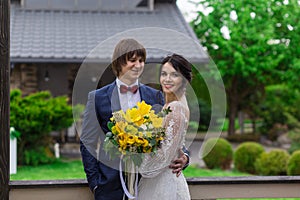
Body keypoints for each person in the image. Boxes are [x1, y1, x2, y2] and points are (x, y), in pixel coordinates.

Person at [80, 38, 189, 200]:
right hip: (109, 185)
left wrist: (185, 157)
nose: (138, 65)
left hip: (148, 182)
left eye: (141, 60)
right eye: (132, 60)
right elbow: (87, 141)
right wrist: (95, 183)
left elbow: (172, 133)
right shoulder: (97, 98)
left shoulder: (156, 96)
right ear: (119, 62)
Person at [138, 53, 192, 200]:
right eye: (164, 74)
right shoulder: (167, 105)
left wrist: (135, 153)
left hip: (163, 184)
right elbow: (177, 145)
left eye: (174, 75)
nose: (167, 79)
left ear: (183, 80)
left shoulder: (176, 108)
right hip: (156, 181)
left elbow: (164, 157)